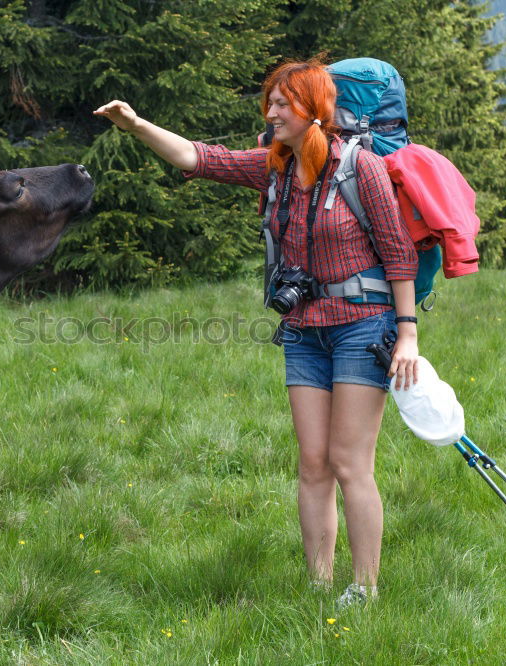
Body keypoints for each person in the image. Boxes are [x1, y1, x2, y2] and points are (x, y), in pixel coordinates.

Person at [94, 57, 420, 609]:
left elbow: (398, 252)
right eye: (269, 102)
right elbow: (201, 159)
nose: (270, 111)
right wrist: (136, 125)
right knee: (312, 463)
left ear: (314, 110)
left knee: (348, 463)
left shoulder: (358, 168)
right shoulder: (275, 167)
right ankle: (319, 588)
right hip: (302, 330)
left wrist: (407, 334)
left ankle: (365, 588)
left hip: (364, 327)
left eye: (280, 103)